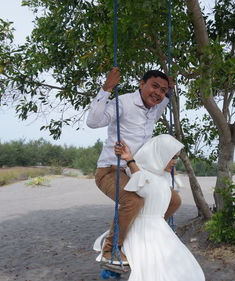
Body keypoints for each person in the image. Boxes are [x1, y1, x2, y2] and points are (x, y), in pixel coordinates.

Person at [87, 68, 181, 265]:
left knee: (172, 201)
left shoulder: (156, 107)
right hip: (110, 170)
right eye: (154, 86)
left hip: (139, 170)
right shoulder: (123, 103)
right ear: (141, 83)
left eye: (163, 90)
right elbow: (93, 122)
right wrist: (106, 88)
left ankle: (140, 234)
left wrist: (169, 88)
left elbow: (164, 98)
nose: (158, 93)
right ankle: (111, 249)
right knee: (133, 202)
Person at [107, 134, 205, 281]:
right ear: (160, 155)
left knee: (178, 262)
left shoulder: (163, 178)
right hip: (142, 230)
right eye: (171, 157)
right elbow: (140, 180)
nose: (174, 162)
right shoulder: (143, 174)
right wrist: (129, 159)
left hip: (160, 227)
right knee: (153, 266)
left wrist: (171, 169)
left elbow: (176, 187)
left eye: (176, 158)